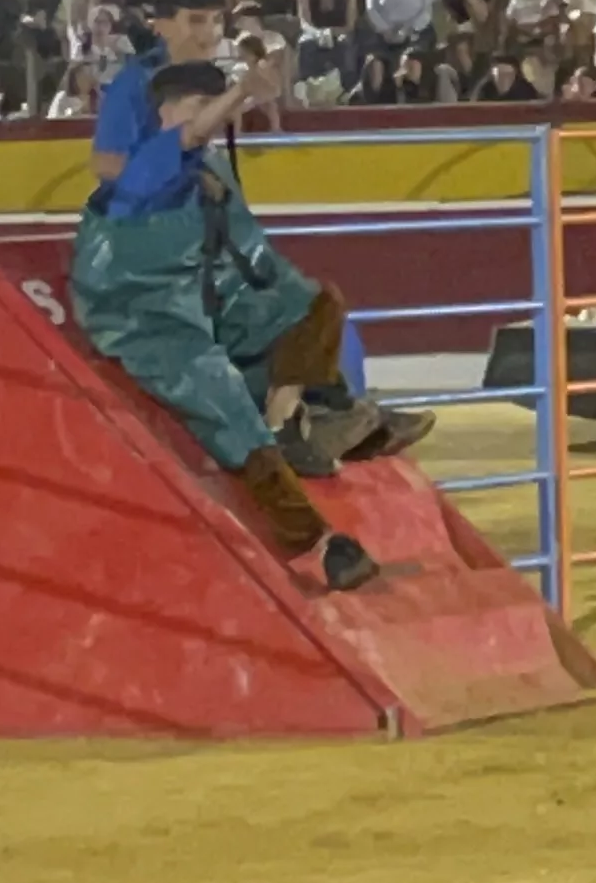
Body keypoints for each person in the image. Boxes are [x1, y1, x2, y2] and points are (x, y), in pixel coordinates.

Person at [72, 60, 393, 592]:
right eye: (199, 107)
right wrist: (244, 89)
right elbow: (193, 135)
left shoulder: (209, 172)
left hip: (201, 304)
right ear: (166, 112)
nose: (211, 120)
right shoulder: (147, 161)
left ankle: (289, 420)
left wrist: (278, 301)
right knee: (221, 394)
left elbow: (251, 257)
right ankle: (316, 544)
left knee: (317, 304)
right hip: (139, 320)